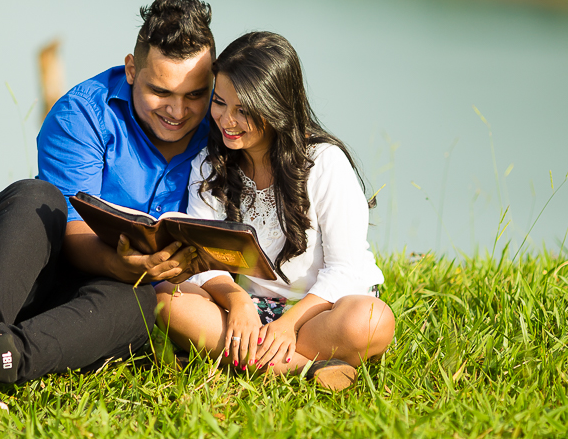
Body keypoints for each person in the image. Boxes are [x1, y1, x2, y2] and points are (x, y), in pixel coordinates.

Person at [0, 0, 215, 414]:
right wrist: (126, 266)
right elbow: (73, 235)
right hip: (18, 283)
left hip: (94, 309)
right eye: (160, 91)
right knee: (38, 198)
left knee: (143, 303)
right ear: (132, 69)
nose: (178, 111)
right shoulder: (82, 112)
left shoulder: (222, 127)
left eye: (195, 95)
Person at [155, 31, 395, 391]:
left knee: (372, 319)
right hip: (248, 311)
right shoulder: (210, 164)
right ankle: (307, 370)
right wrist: (238, 302)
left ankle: (242, 357)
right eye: (219, 102)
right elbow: (203, 259)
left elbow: (345, 270)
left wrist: (288, 324)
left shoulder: (324, 163)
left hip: (320, 311)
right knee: (167, 298)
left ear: (275, 106)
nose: (226, 120)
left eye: (243, 110)